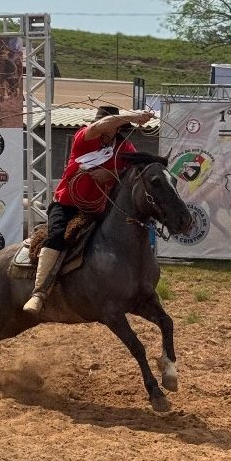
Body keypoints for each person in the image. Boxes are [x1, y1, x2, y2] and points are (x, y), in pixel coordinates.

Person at [23, 105, 156, 314]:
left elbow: (132, 174)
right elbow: (100, 126)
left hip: (99, 210)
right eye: (104, 122)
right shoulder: (84, 138)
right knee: (56, 236)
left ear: (117, 128)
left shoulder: (126, 148)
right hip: (65, 204)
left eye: (111, 124)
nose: (101, 127)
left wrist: (111, 173)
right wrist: (132, 116)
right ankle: (39, 293)